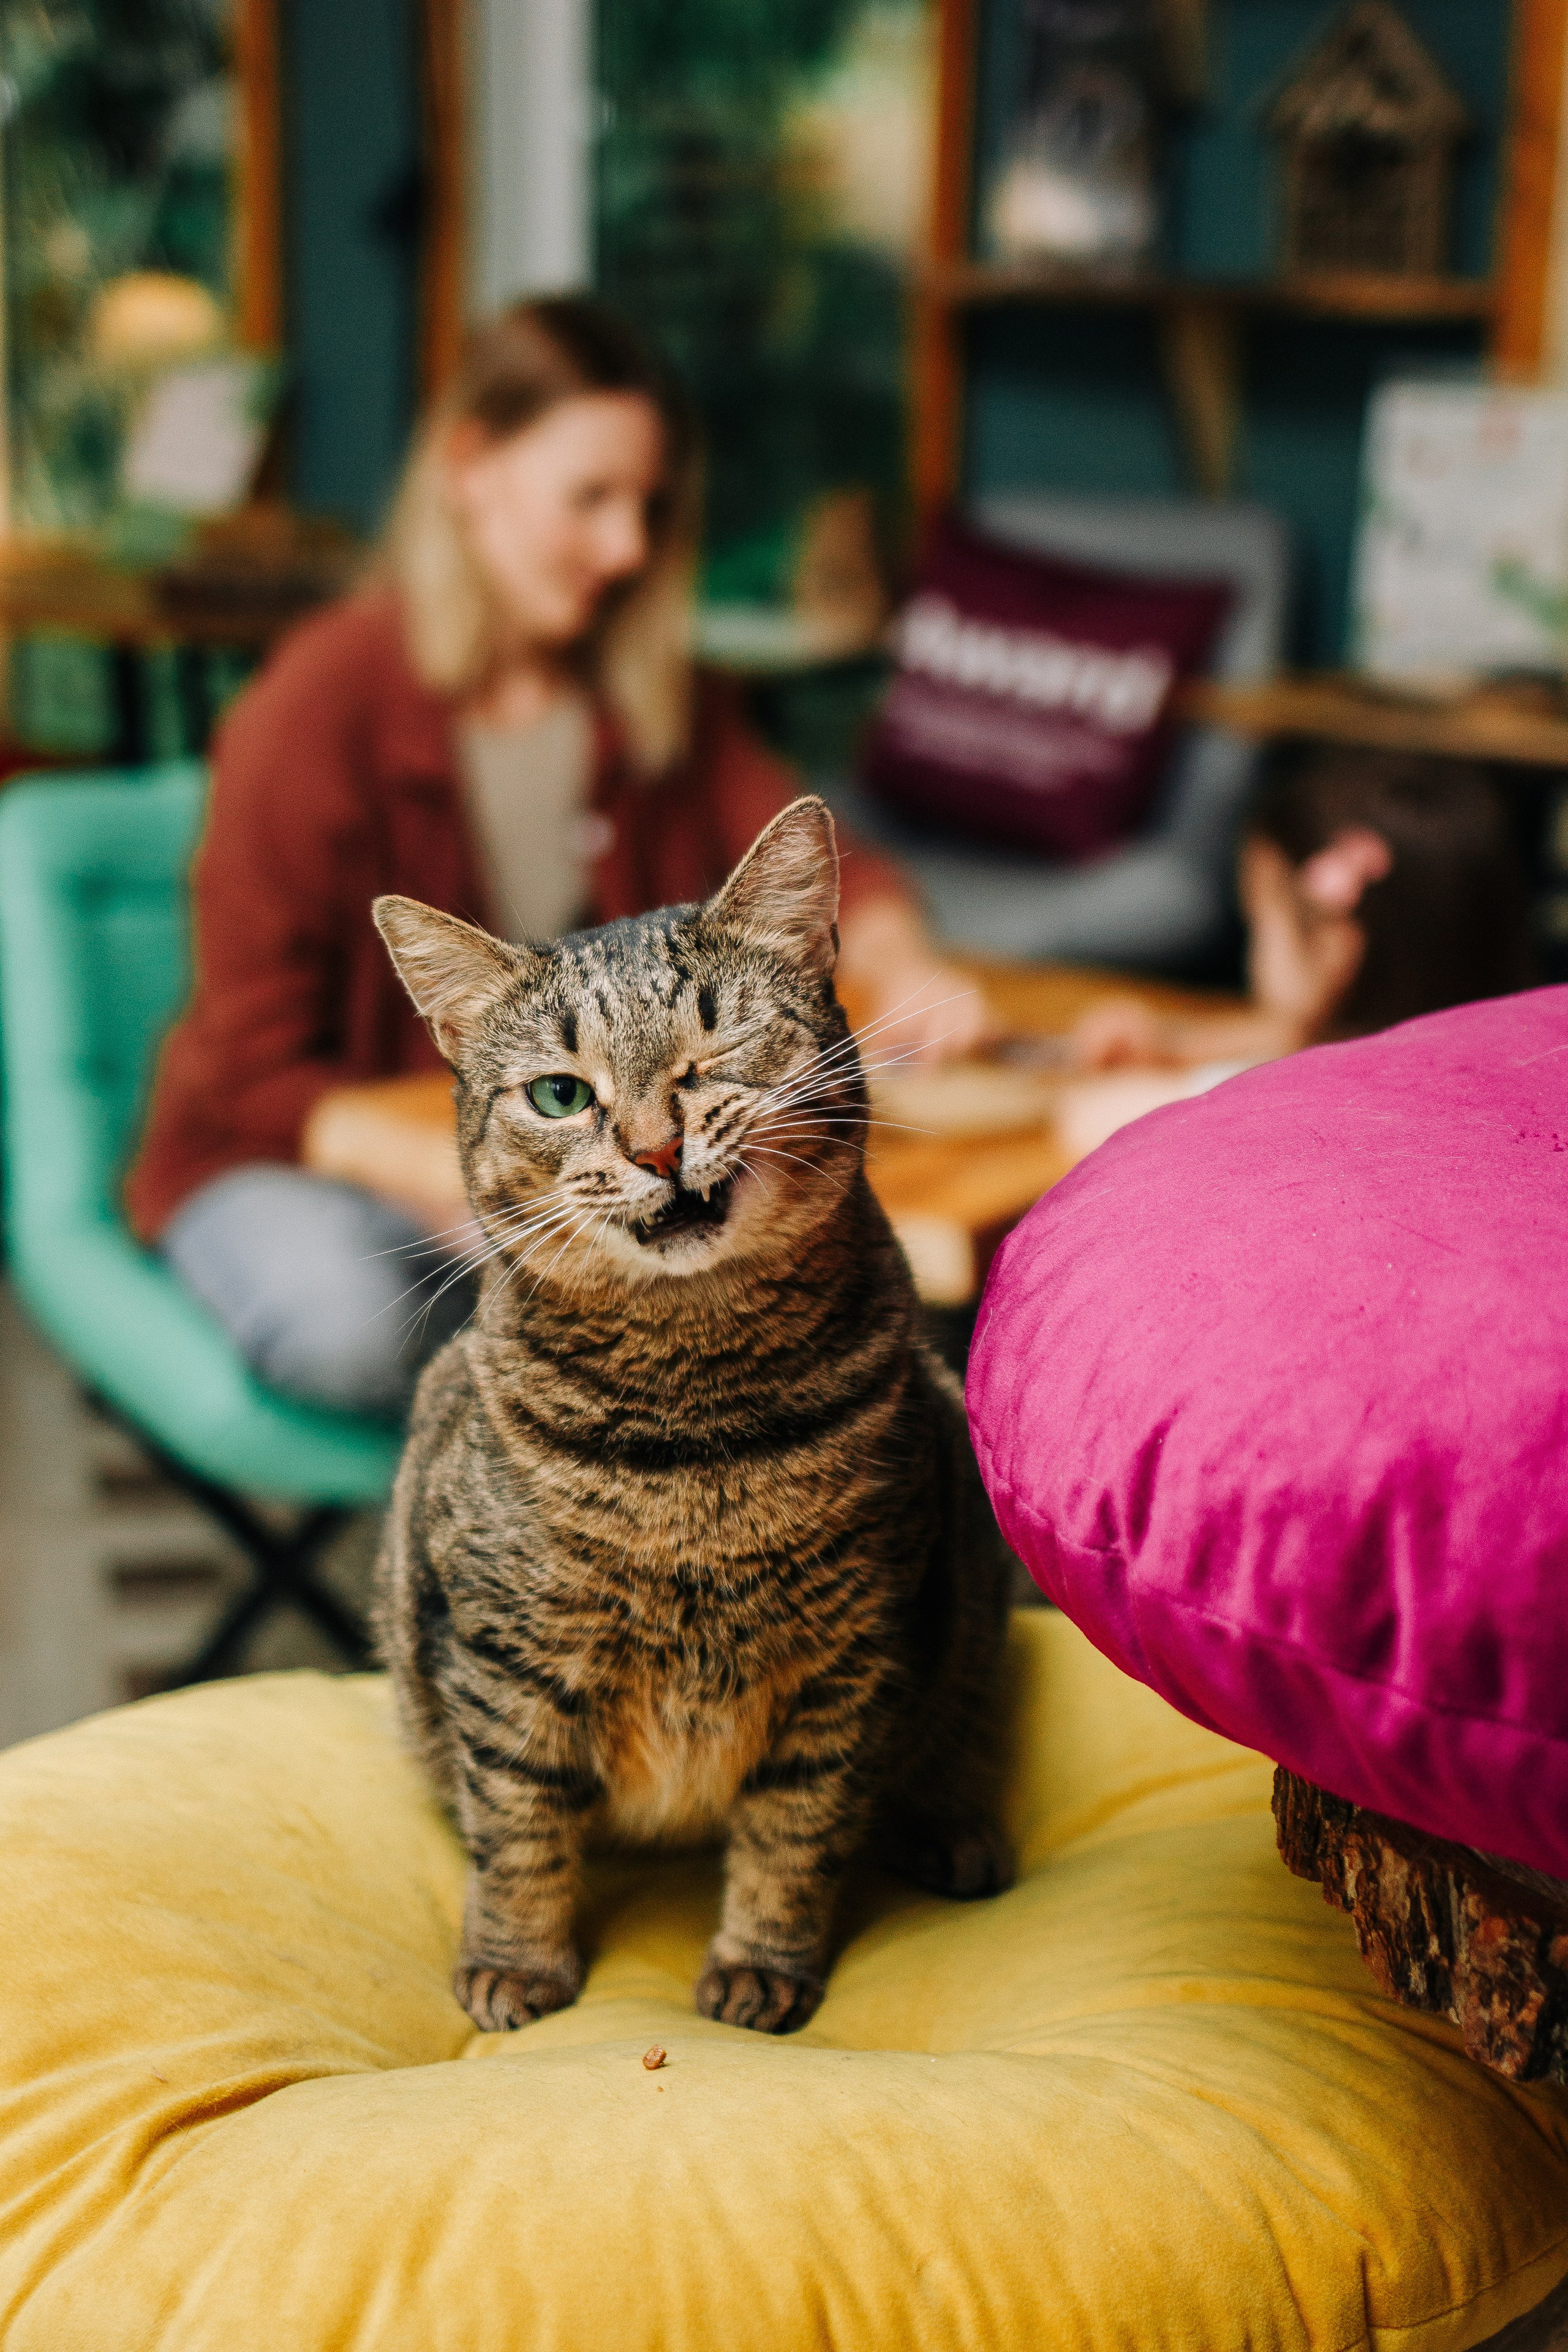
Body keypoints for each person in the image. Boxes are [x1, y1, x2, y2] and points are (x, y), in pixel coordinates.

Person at [127, 296, 984, 1420]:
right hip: (292, 1155)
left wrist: (903, 955)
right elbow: (253, 1070)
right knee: (354, 1322)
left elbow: (828, 860)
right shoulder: (311, 706)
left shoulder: (659, 696)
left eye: (649, 507)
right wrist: (487, 1192)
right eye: (592, 499)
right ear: (471, 468)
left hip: (573, 1160)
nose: (630, 548)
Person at [1058, 747, 1536, 1158]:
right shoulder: (1488, 1072)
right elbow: (1298, 1033)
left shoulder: (1285, 1113)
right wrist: (1177, 1042)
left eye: (1260, 922)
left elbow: (1088, 1120)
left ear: (1333, 951)